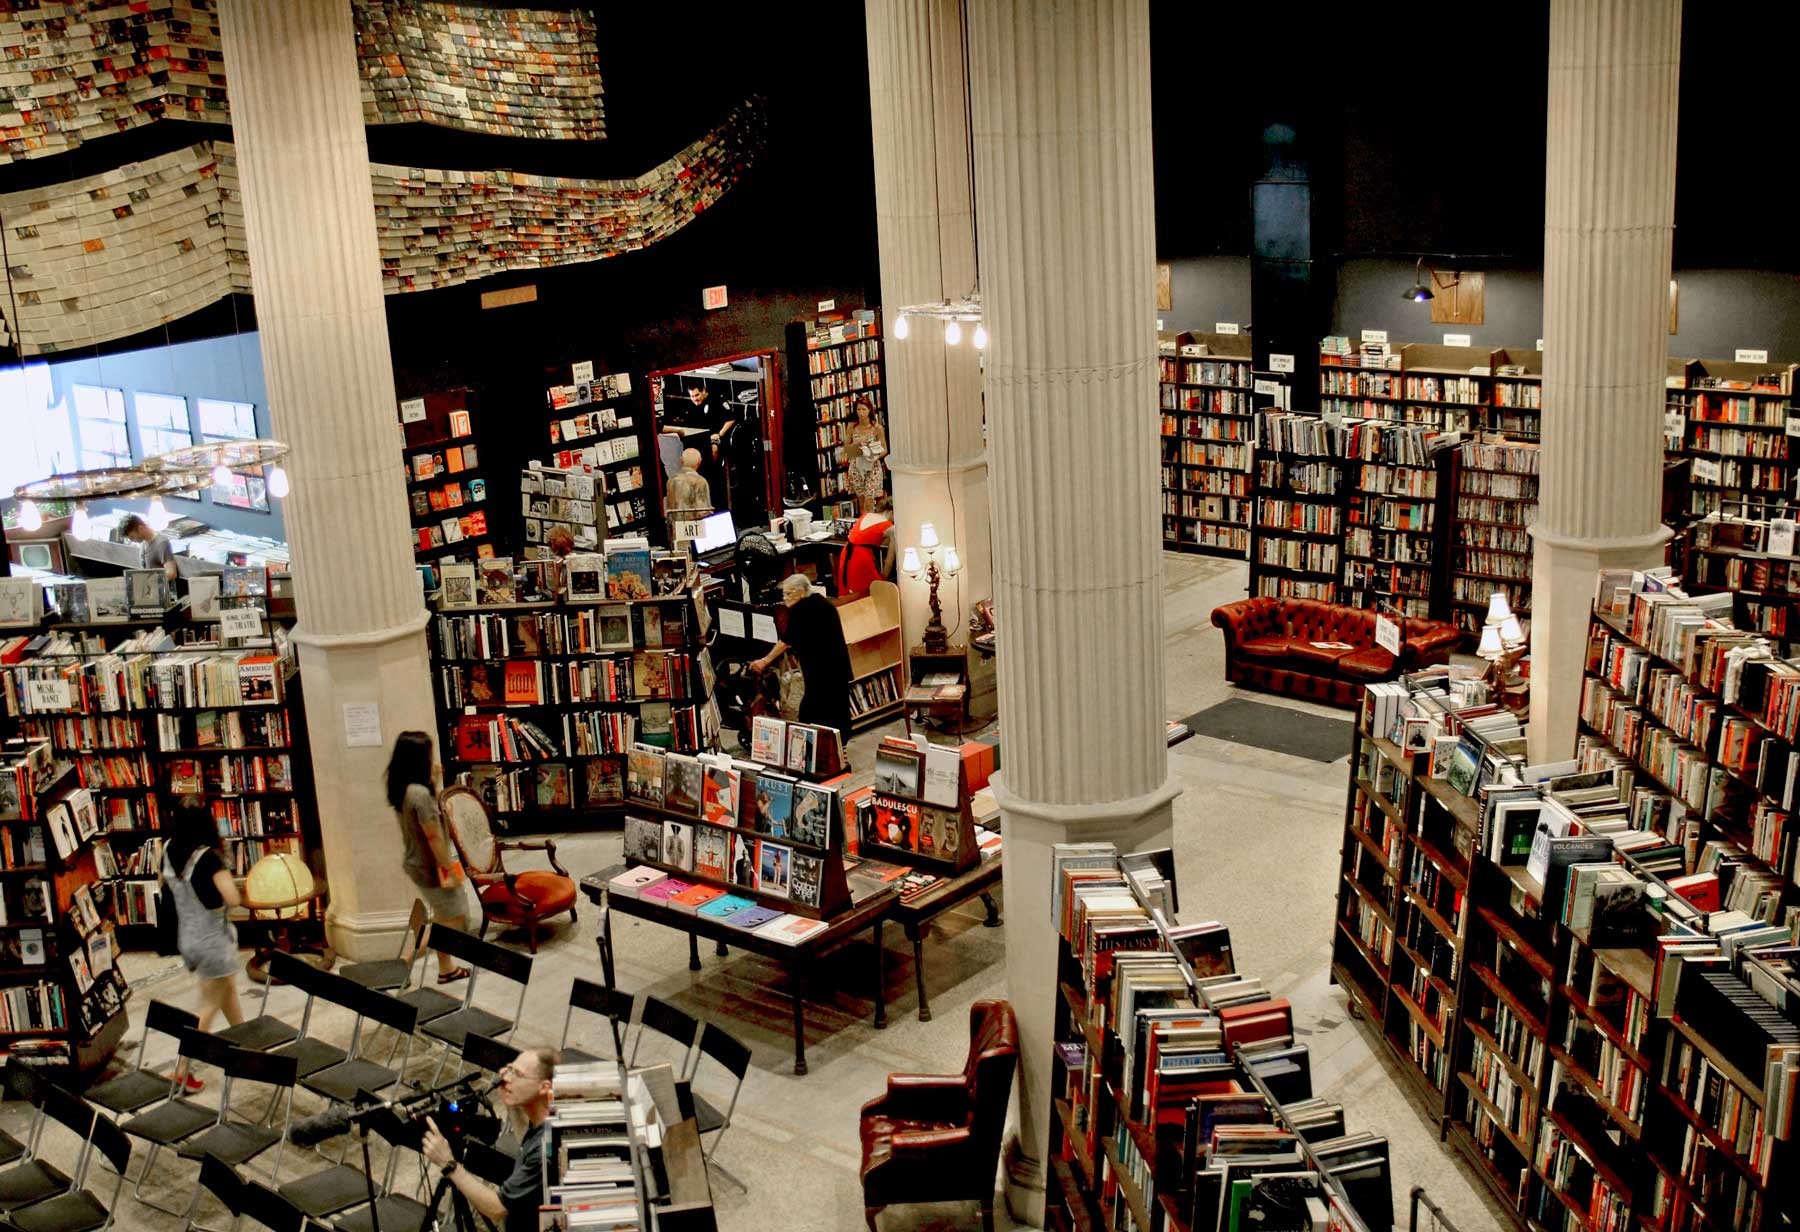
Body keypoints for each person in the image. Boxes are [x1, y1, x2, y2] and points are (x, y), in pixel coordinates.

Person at [421, 1047, 557, 1232]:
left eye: (517, 1074)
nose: (506, 1077)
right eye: (509, 1069)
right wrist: (513, 1104)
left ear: (544, 1087)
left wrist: (449, 1164)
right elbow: (526, 1137)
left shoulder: (547, 1148)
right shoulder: (546, 1118)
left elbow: (497, 1208)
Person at [160, 797, 243, 1086]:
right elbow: (233, 898)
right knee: (207, 1006)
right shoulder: (209, 858)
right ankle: (182, 1071)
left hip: (188, 938)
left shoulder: (168, 850)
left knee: (226, 989)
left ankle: (245, 1047)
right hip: (213, 942)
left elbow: (164, 884)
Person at [386, 730, 471, 984]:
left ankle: (446, 969)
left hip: (417, 863)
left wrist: (434, 780)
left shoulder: (404, 787)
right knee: (455, 918)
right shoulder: (419, 794)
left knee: (444, 917)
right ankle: (404, 962)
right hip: (430, 867)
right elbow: (433, 835)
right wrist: (450, 870)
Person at [750, 574, 853, 741]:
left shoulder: (802, 609)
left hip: (821, 671)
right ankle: (840, 751)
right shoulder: (823, 603)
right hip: (838, 667)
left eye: (788, 594)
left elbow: (786, 641)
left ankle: (820, 753)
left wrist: (764, 661)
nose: (784, 599)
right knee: (837, 710)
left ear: (800, 592)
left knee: (813, 713)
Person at [836, 492, 894, 595]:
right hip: (862, 559)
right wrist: (884, 580)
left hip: (846, 553)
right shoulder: (890, 527)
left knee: (849, 594)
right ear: (892, 512)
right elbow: (889, 560)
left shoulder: (868, 514)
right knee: (869, 594)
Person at [844, 396, 888, 505]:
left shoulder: (877, 428)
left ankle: (870, 520)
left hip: (872, 465)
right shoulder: (852, 426)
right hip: (856, 466)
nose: (861, 413)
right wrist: (856, 445)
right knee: (861, 500)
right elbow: (846, 448)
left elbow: (885, 449)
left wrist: (875, 456)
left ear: (869, 410)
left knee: (869, 499)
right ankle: (864, 521)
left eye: (864, 409)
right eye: (858, 409)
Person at [119, 512, 178, 583]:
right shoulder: (143, 544)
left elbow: (171, 573)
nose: (132, 540)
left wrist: (150, 580)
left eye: (132, 537)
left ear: (140, 528)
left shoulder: (161, 543)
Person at [664, 447, 714, 517]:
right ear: (699, 462)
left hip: (676, 526)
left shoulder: (671, 481)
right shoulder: (700, 481)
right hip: (694, 526)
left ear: (681, 460)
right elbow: (703, 511)